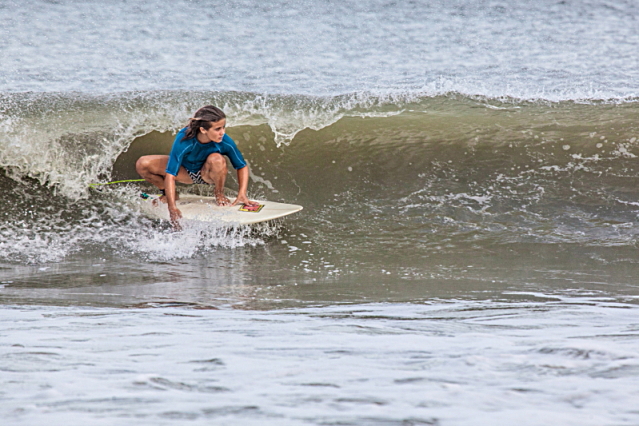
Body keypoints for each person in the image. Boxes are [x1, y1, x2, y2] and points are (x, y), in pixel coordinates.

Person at [135, 105, 258, 225]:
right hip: (185, 172)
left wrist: (242, 193)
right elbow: (171, 174)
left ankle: (219, 193)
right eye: (217, 129)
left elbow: (241, 166)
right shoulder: (184, 139)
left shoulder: (225, 141)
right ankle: (168, 194)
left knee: (217, 159)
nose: (222, 132)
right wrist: (172, 208)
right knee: (143, 163)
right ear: (203, 130)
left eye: (223, 127)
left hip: (207, 174)